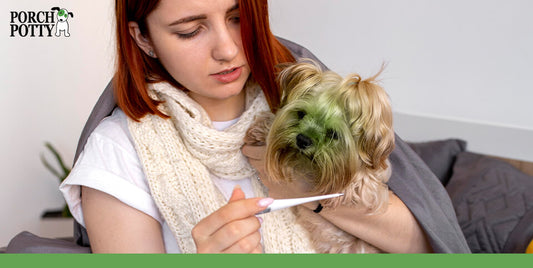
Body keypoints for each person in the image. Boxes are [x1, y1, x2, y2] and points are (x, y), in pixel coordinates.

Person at [60, 0, 470, 253]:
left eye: (238, 17)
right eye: (190, 30)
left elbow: (430, 248)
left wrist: (304, 187)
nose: (227, 49)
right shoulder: (118, 152)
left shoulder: (304, 98)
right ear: (143, 38)